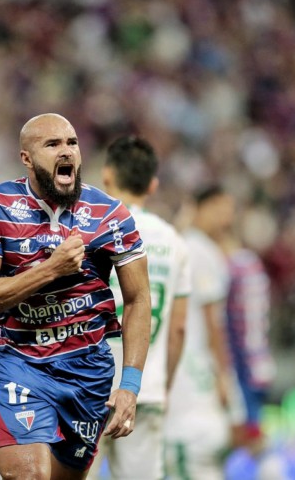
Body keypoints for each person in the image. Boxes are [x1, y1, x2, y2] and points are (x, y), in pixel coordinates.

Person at [0, 113, 152, 480]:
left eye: (72, 143)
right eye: (52, 144)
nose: (66, 152)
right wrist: (52, 269)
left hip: (88, 373)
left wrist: (130, 387)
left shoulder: (111, 215)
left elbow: (138, 299)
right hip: (22, 364)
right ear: (27, 158)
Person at [88, 135, 190, 480]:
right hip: (145, 388)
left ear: (106, 176)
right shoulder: (174, 242)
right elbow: (178, 329)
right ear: (153, 184)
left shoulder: (91, 231)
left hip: (88, 383)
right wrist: (162, 383)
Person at [197, 185, 286, 479]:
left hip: (240, 368)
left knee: (248, 437)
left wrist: (227, 373)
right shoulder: (250, 264)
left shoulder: (232, 267)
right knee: (239, 438)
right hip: (256, 364)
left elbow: (231, 328)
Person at [164, 185, 239, 480]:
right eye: (219, 209)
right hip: (196, 369)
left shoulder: (181, 246)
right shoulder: (201, 251)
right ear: (199, 208)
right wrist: (224, 376)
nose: (226, 218)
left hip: (182, 365)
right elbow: (214, 325)